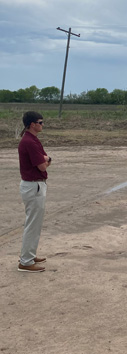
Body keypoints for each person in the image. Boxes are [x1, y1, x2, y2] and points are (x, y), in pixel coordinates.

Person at [17, 111, 52, 273]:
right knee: (32, 224)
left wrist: (46, 159)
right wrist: (47, 160)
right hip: (33, 185)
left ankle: (29, 255)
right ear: (32, 124)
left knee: (34, 223)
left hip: (34, 185)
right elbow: (42, 165)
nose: (42, 124)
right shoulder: (29, 142)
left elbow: (44, 159)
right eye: (40, 122)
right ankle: (25, 261)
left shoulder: (31, 140)